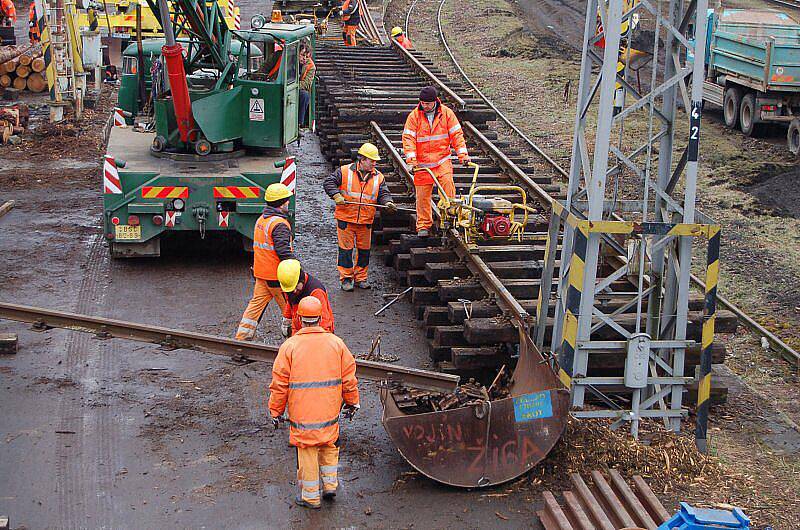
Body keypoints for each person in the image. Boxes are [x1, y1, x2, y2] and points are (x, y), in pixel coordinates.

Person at [268, 295, 360, 509]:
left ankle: (310, 496)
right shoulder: (337, 344)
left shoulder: (290, 347)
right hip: (329, 410)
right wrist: (352, 401)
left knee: (307, 449)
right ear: (320, 318)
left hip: (303, 414)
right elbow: (349, 378)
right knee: (329, 443)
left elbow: (279, 385)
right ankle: (330, 486)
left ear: (299, 318)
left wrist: (275, 411)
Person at [324, 142, 395, 291]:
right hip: (346, 219)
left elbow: (383, 193)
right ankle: (347, 279)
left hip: (365, 221)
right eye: (372, 160)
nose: (374, 163)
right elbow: (329, 182)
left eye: (375, 161)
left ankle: (361, 278)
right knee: (346, 251)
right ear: (362, 159)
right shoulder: (344, 172)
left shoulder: (378, 177)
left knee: (364, 252)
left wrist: (388, 202)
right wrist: (336, 195)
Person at [402, 86, 470, 237]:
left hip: (441, 161)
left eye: (427, 103)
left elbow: (456, 136)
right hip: (422, 165)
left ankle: (451, 219)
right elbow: (409, 139)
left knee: (448, 191)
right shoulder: (414, 116)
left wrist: (463, 156)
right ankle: (424, 226)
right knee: (422, 197)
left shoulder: (447, 114)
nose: (424, 106)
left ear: (435, 102)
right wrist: (411, 161)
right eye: (422, 103)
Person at [235, 183, 295, 341]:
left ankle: (241, 341)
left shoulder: (262, 220)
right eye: (287, 201)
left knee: (254, 308)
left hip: (261, 274)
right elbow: (284, 253)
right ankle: (296, 345)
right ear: (281, 203)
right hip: (277, 277)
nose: (288, 203)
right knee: (291, 310)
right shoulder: (279, 224)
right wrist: (297, 272)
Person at [277, 259, 334, 336]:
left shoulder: (316, 292)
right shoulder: (290, 287)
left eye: (296, 287)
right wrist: (287, 319)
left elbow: (324, 323)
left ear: (301, 278)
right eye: (291, 289)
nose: (294, 291)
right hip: (299, 332)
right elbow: (290, 302)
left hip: (316, 336)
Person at [298, 45, 315, 128]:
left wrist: (294, 86)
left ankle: (299, 124)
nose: (304, 58)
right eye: (302, 55)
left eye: (307, 56)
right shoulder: (288, 59)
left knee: (304, 95)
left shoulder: (311, 67)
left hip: (296, 88)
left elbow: (306, 84)